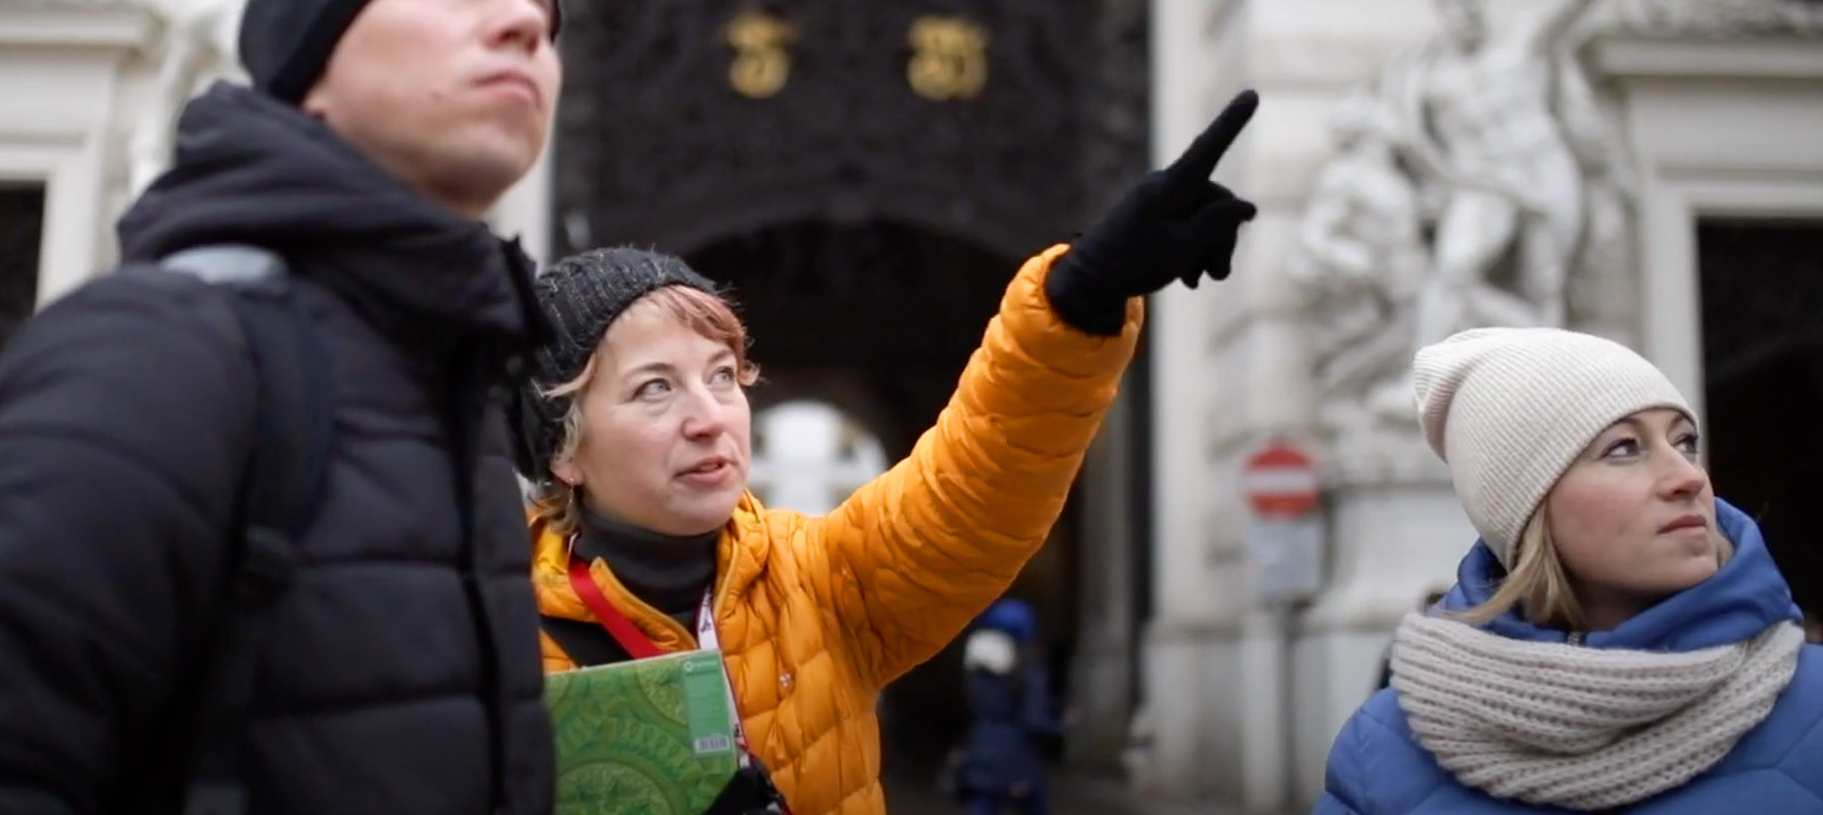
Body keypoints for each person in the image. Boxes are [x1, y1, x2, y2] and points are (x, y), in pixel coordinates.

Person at [0, 0, 564, 815]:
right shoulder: (161, 351)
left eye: (541, 3)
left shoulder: (451, 387)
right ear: (311, 63)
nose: (522, 24)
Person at [516, 91, 1264, 815]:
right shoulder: (485, 635)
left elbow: (970, 490)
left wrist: (1079, 301)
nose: (710, 418)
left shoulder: (818, 583)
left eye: (723, 376)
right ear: (564, 451)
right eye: (655, 389)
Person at [1314, 327, 1823, 814]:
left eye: (1685, 441)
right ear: (1529, 507)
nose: (1688, 477)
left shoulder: (1812, 704)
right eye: (1623, 448)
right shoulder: (1386, 747)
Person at [952, 599, 1060, 815]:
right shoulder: (1029, 668)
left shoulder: (976, 666)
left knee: (981, 803)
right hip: (1018, 757)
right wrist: (1060, 726)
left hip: (981, 750)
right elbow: (1034, 719)